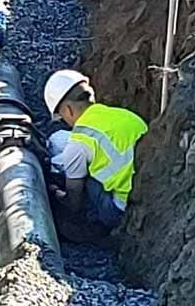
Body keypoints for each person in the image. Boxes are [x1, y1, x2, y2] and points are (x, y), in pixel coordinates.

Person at [43, 69, 148, 243]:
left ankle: (97, 227)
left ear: (68, 109)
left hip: (120, 210)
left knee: (84, 181)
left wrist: (56, 193)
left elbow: (73, 200)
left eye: (62, 116)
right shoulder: (126, 116)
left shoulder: (79, 143)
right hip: (148, 191)